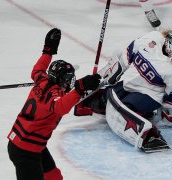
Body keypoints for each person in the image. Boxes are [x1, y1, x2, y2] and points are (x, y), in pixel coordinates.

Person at [7, 28, 101, 180]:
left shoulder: (42, 79)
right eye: (68, 78)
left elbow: (37, 70)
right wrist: (80, 88)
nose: (70, 81)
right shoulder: (54, 95)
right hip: (26, 151)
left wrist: (48, 51)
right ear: (61, 79)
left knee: (54, 177)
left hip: (25, 144)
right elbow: (60, 107)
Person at [76, 27, 172, 152]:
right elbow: (126, 57)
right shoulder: (151, 39)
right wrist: (104, 77)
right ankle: (110, 105)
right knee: (109, 93)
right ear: (169, 40)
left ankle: (150, 136)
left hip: (150, 95)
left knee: (126, 107)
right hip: (130, 84)